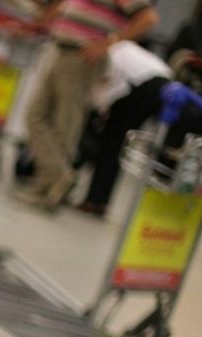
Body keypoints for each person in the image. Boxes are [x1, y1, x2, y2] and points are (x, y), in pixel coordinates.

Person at [18, 0, 159, 211]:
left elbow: (148, 18)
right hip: (62, 49)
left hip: (81, 56)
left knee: (65, 123)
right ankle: (57, 176)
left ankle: (51, 187)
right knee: (35, 115)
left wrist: (109, 42)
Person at [76, 41, 172, 217]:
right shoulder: (123, 47)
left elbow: (107, 89)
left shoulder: (107, 54)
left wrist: (101, 110)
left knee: (112, 143)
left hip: (140, 86)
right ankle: (100, 201)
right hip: (164, 85)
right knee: (119, 145)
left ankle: (95, 201)